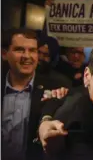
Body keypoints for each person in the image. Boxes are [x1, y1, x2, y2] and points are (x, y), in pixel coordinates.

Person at [1, 28, 67, 160]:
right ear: (4, 54)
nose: (27, 56)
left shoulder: (57, 87)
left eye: (32, 50)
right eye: (19, 50)